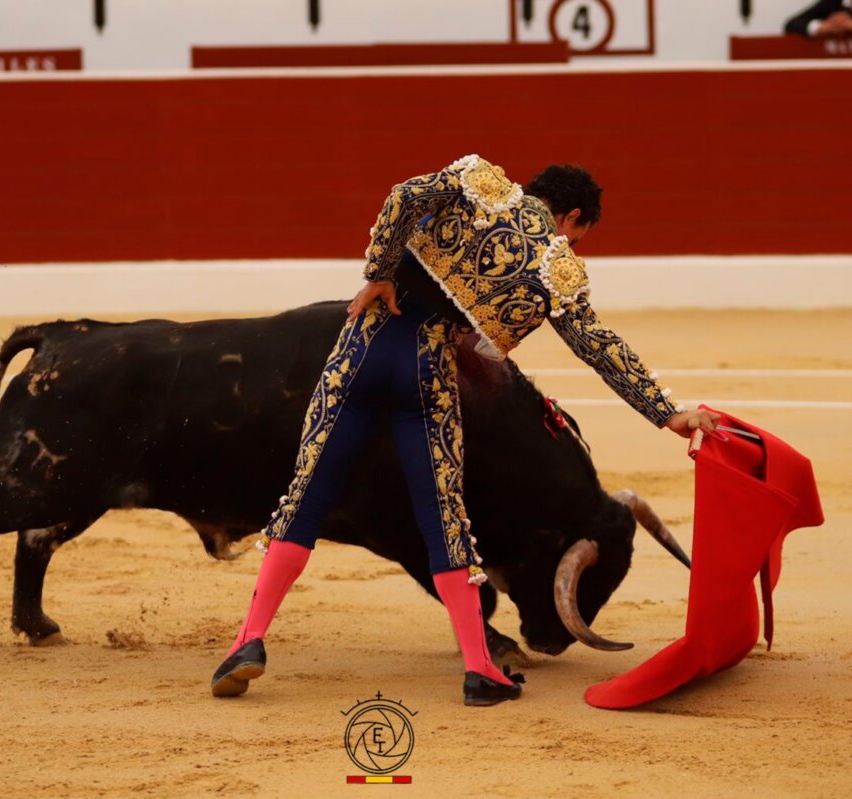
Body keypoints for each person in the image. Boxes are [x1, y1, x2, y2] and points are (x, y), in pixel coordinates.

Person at [211, 154, 719, 706]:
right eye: (577, 237)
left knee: (304, 500)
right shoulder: (557, 268)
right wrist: (668, 413)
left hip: (361, 352)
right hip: (426, 373)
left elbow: (404, 196)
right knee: (444, 523)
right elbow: (599, 348)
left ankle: (249, 642)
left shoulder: (479, 182)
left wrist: (381, 272)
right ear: (570, 217)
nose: (571, 249)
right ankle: (480, 670)